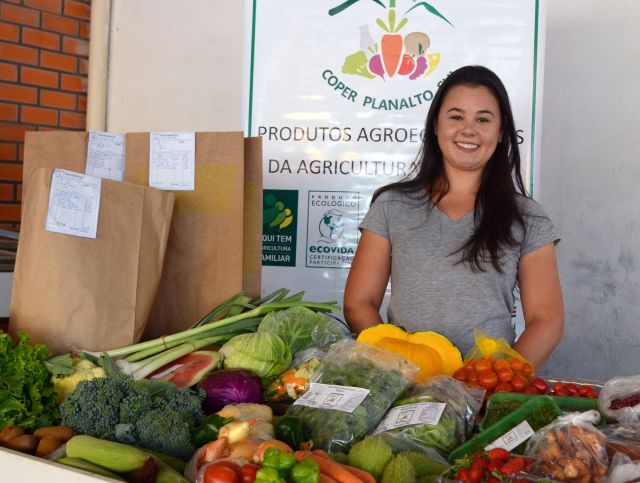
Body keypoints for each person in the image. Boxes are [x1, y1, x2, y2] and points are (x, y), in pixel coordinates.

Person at [344, 65, 563, 371]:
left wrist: (496, 383)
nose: (468, 130)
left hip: (485, 395)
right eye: (456, 116)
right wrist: (396, 369)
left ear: (501, 132)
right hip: (406, 392)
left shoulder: (527, 217)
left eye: (483, 119)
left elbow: (547, 320)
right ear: (436, 125)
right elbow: (359, 302)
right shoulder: (391, 205)